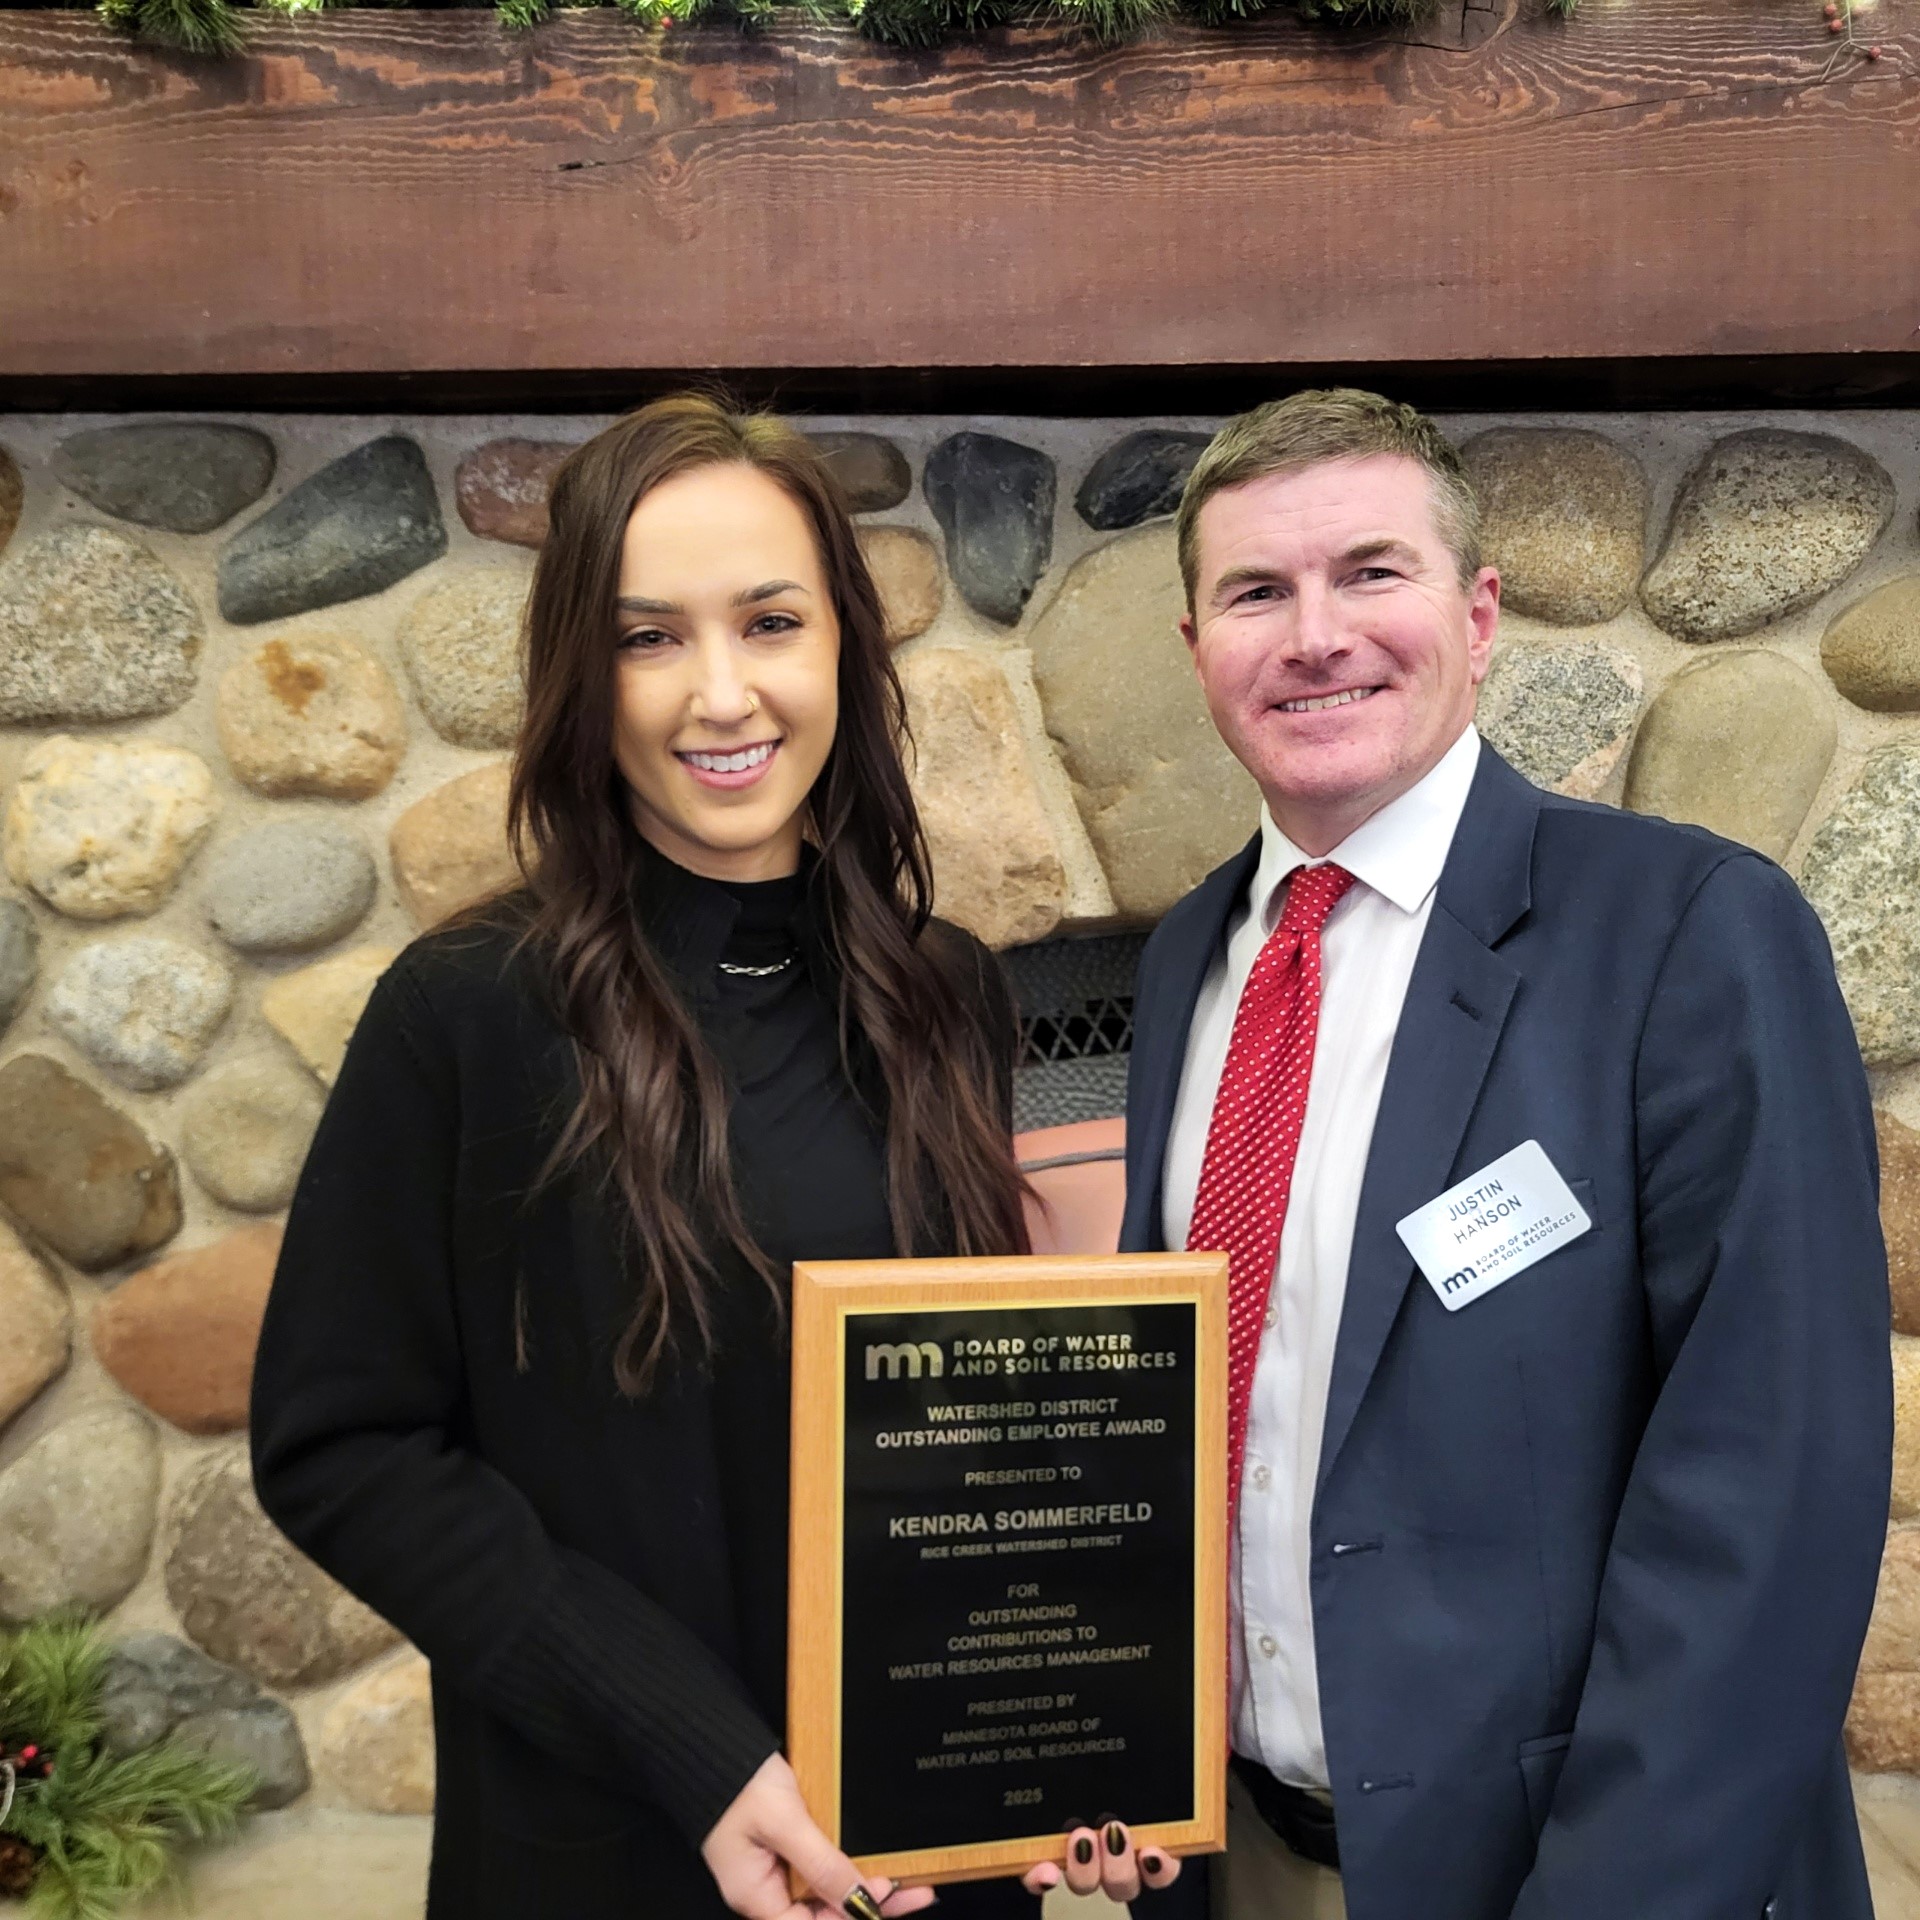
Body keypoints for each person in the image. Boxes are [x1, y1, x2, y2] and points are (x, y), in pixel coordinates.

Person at [250, 397, 1173, 1920]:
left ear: (840, 653)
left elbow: (967, 1442)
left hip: (914, 1858)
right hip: (615, 1849)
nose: (722, 693)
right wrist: (698, 1752)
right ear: (580, 676)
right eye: (650, 638)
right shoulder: (470, 1013)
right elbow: (342, 1450)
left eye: (769, 621)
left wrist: (1073, 1740)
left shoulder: (946, 993)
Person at [1117, 389, 1892, 1920]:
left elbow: (1770, 1491)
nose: (1315, 634)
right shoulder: (1183, 962)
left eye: (1371, 573)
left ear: (1478, 617)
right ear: (1196, 649)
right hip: (1245, 1861)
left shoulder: (1688, 933)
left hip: (1572, 1870)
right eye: (1255, 592)